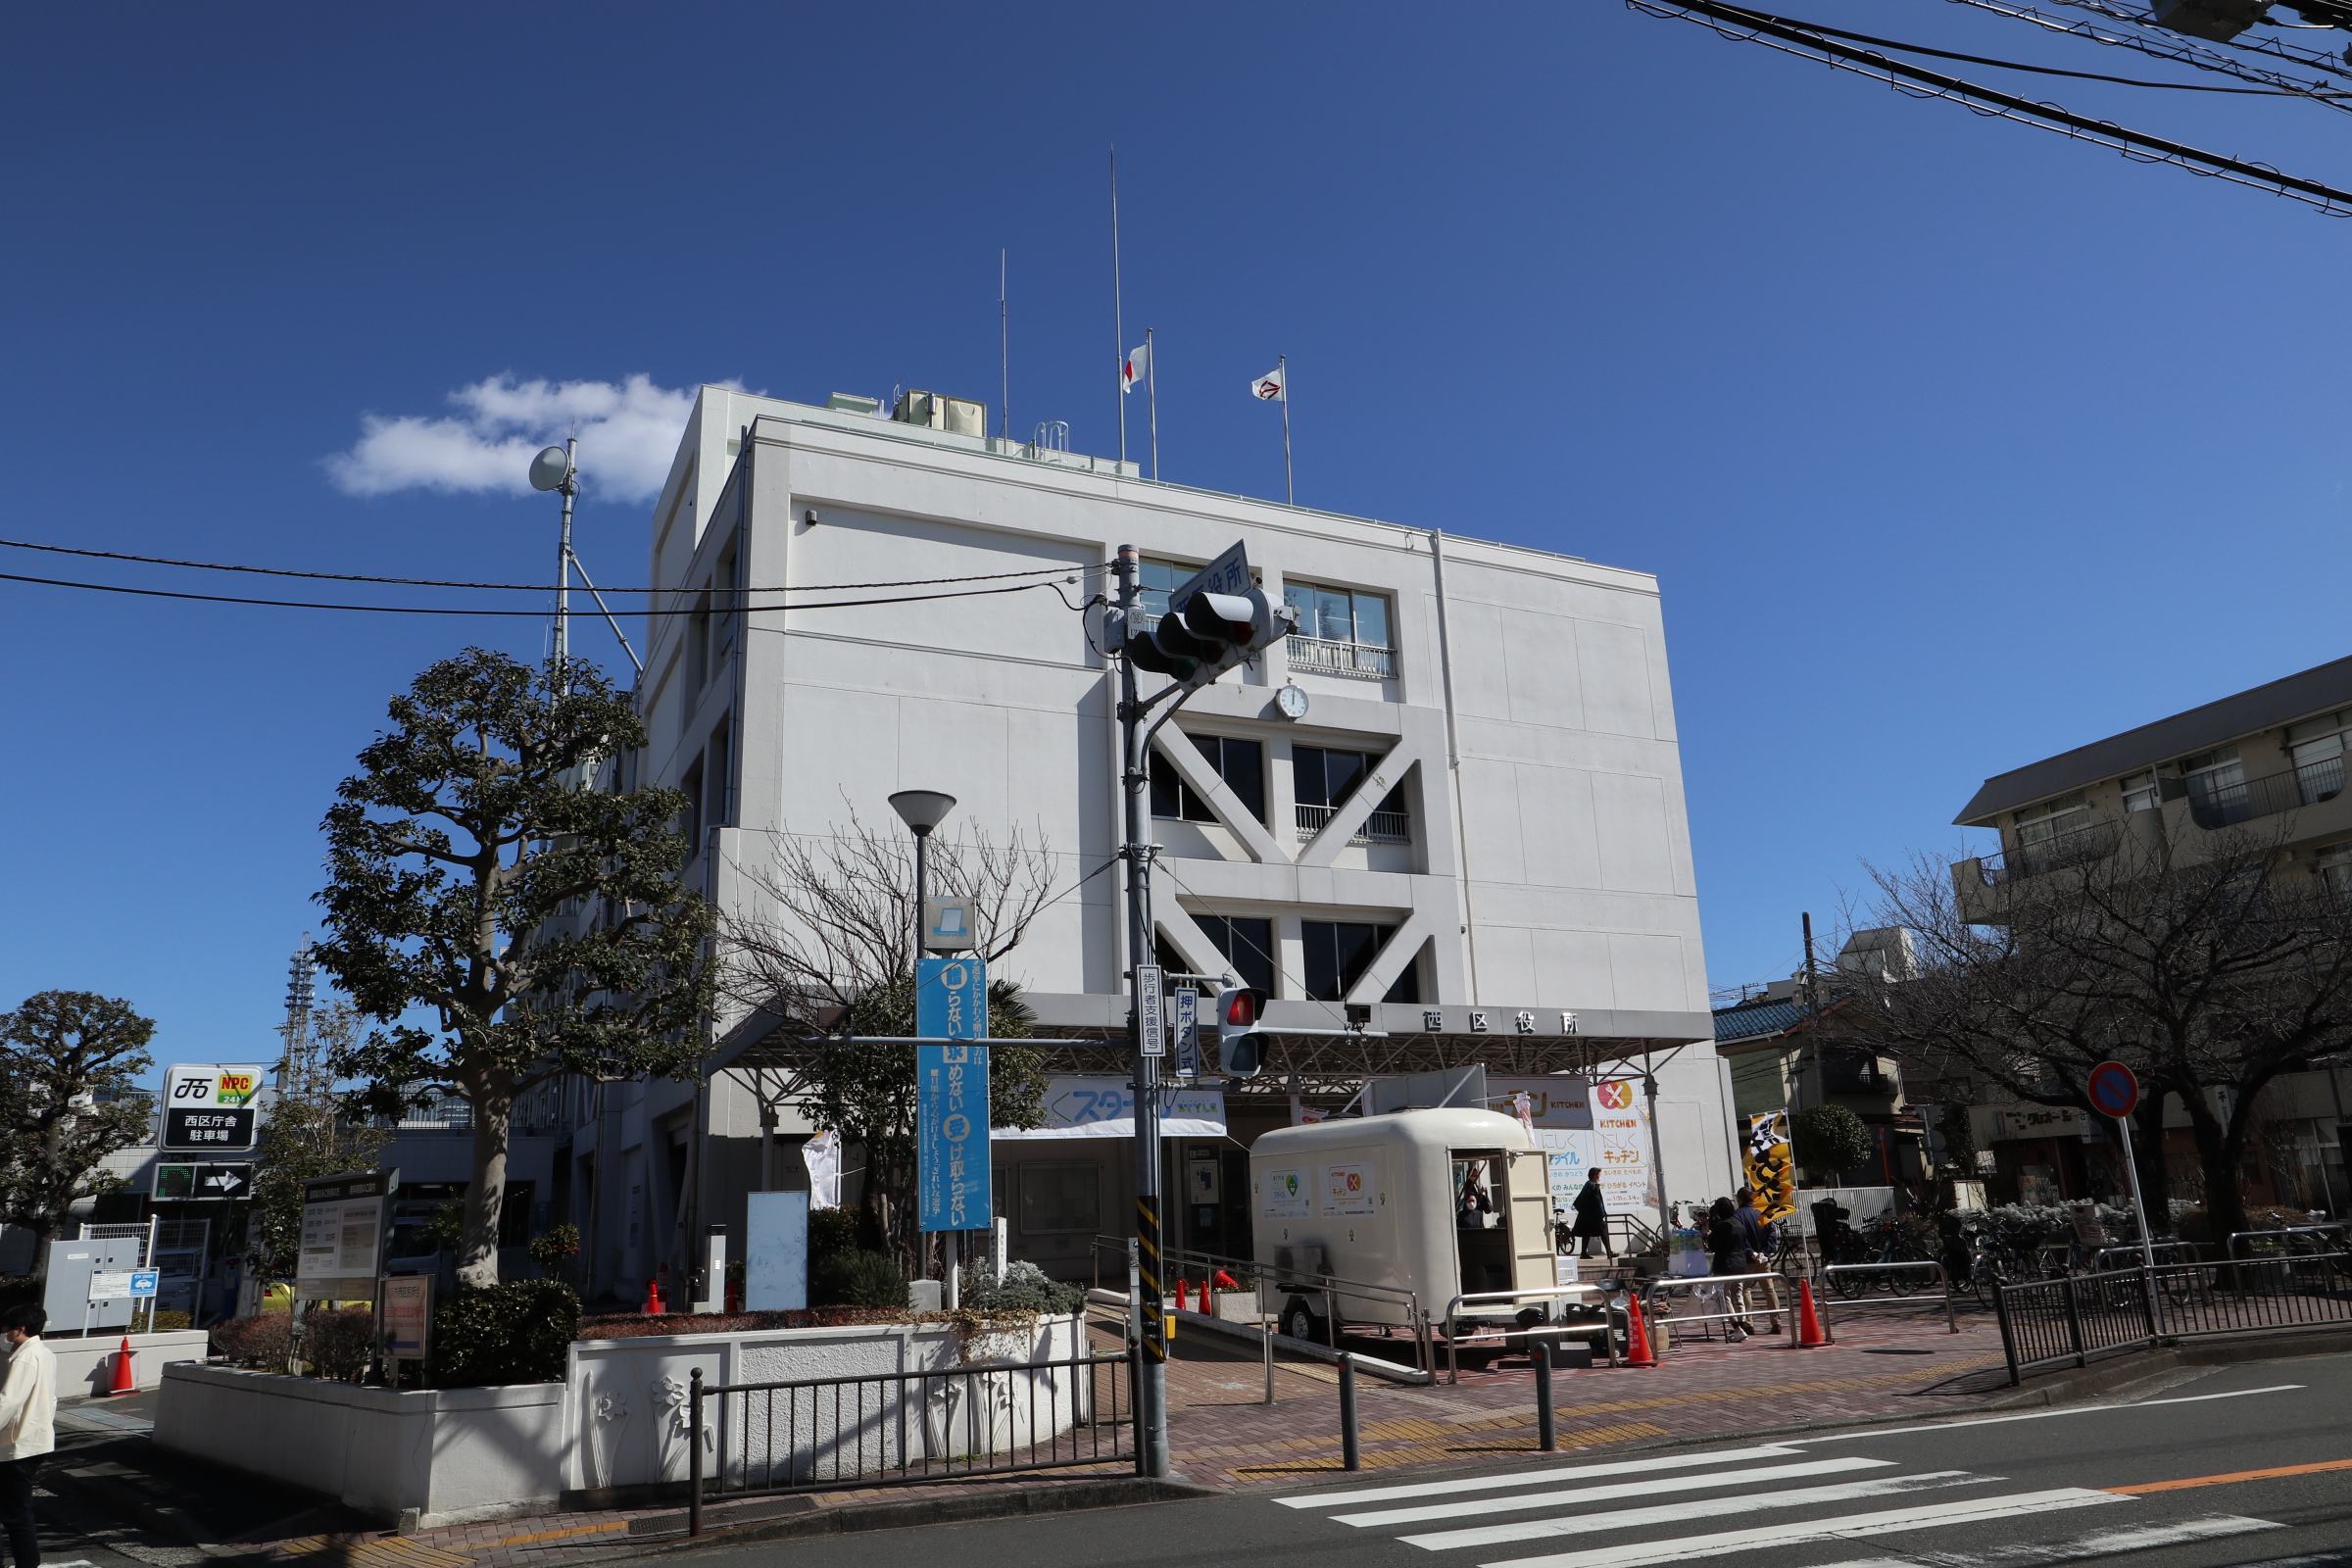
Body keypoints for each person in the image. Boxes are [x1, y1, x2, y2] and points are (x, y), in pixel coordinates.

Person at [0, 1303, 57, 1568]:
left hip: (17, 1445)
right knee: (15, 1511)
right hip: (35, 1439)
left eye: (6, 1328)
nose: (3, 1333)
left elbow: (8, 1401)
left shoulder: (25, 1358)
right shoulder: (44, 1352)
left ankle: (27, 1564)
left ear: (19, 1329)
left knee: (16, 1515)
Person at [1706, 1197, 1758, 1341]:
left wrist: (1710, 1234)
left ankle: (1737, 1328)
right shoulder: (1739, 1224)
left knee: (1724, 1297)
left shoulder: (1721, 1226)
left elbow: (1713, 1246)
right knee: (1738, 1295)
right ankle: (1741, 1326)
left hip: (1724, 1265)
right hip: (1740, 1264)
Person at [1734, 1189, 1784, 1334]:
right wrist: (1765, 1252)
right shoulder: (1763, 1212)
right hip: (1764, 1259)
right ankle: (1776, 1322)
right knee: (1769, 1290)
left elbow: (1741, 1237)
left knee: (1746, 1290)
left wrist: (1751, 1252)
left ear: (1739, 1199)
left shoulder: (1737, 1215)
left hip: (1748, 1259)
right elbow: (1771, 1233)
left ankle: (1749, 1323)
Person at [1572, 1170, 1613, 1258]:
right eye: (1599, 1174)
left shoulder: (1589, 1184)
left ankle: (1583, 1253)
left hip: (1588, 1216)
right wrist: (1597, 1187)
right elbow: (1595, 1199)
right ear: (1595, 1175)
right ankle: (1609, 1253)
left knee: (1586, 1233)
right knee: (1602, 1232)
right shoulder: (1590, 1185)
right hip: (1593, 1215)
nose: (1600, 1176)